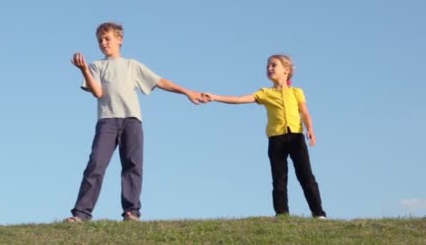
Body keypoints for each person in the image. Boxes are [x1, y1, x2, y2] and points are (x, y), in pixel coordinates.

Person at [65, 22, 205, 223]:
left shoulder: (132, 65)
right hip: (107, 121)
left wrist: (187, 92)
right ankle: (81, 213)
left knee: (133, 165)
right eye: (100, 40)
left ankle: (131, 212)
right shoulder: (97, 66)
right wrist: (84, 70)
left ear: (119, 39)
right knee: (96, 164)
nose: (103, 43)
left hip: (132, 121)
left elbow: (160, 81)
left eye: (107, 39)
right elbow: (98, 92)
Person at [203, 54, 327, 219]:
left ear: (286, 70)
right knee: (279, 178)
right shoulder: (265, 93)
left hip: (296, 138)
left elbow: (304, 112)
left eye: (273, 65)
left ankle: (318, 213)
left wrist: (310, 128)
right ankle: (282, 214)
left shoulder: (297, 92)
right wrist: (215, 97)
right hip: (276, 140)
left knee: (306, 176)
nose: (269, 69)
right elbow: (240, 99)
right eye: (268, 66)